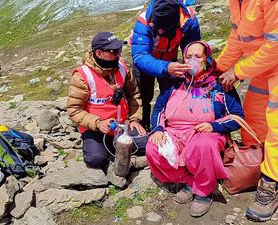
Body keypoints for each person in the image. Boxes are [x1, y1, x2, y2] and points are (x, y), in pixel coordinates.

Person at [146, 41, 244, 217]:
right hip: (174, 132)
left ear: (207, 59)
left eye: (198, 56)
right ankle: (189, 181)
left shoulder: (219, 83)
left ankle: (204, 191)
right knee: (153, 148)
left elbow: (237, 116)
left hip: (204, 133)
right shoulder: (174, 82)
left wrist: (213, 126)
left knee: (203, 146)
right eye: (188, 56)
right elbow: (159, 108)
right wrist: (158, 129)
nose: (193, 60)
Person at [216, 0, 278, 221]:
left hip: (274, 65)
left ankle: (271, 185)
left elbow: (275, 45)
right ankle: (255, 165)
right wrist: (217, 69)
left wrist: (238, 71)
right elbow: (237, 39)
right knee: (251, 118)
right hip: (265, 69)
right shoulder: (237, 1)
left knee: (276, 128)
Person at [67, 32, 147, 170]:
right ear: (99, 53)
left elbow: (134, 95)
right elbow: (74, 110)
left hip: (121, 127)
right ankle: (107, 146)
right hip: (95, 128)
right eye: (114, 51)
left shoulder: (122, 68)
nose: (119, 55)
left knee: (148, 144)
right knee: (96, 159)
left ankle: (115, 145)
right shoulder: (82, 76)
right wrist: (97, 123)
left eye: (120, 50)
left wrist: (135, 120)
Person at [131, 0, 201, 130]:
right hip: (146, 63)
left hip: (170, 60)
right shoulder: (144, 22)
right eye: (157, 28)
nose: (159, 31)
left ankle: (168, 126)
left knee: (170, 95)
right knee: (143, 96)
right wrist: (166, 67)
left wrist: (193, 68)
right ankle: (141, 127)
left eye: (163, 29)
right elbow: (140, 56)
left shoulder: (188, 21)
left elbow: (192, 49)